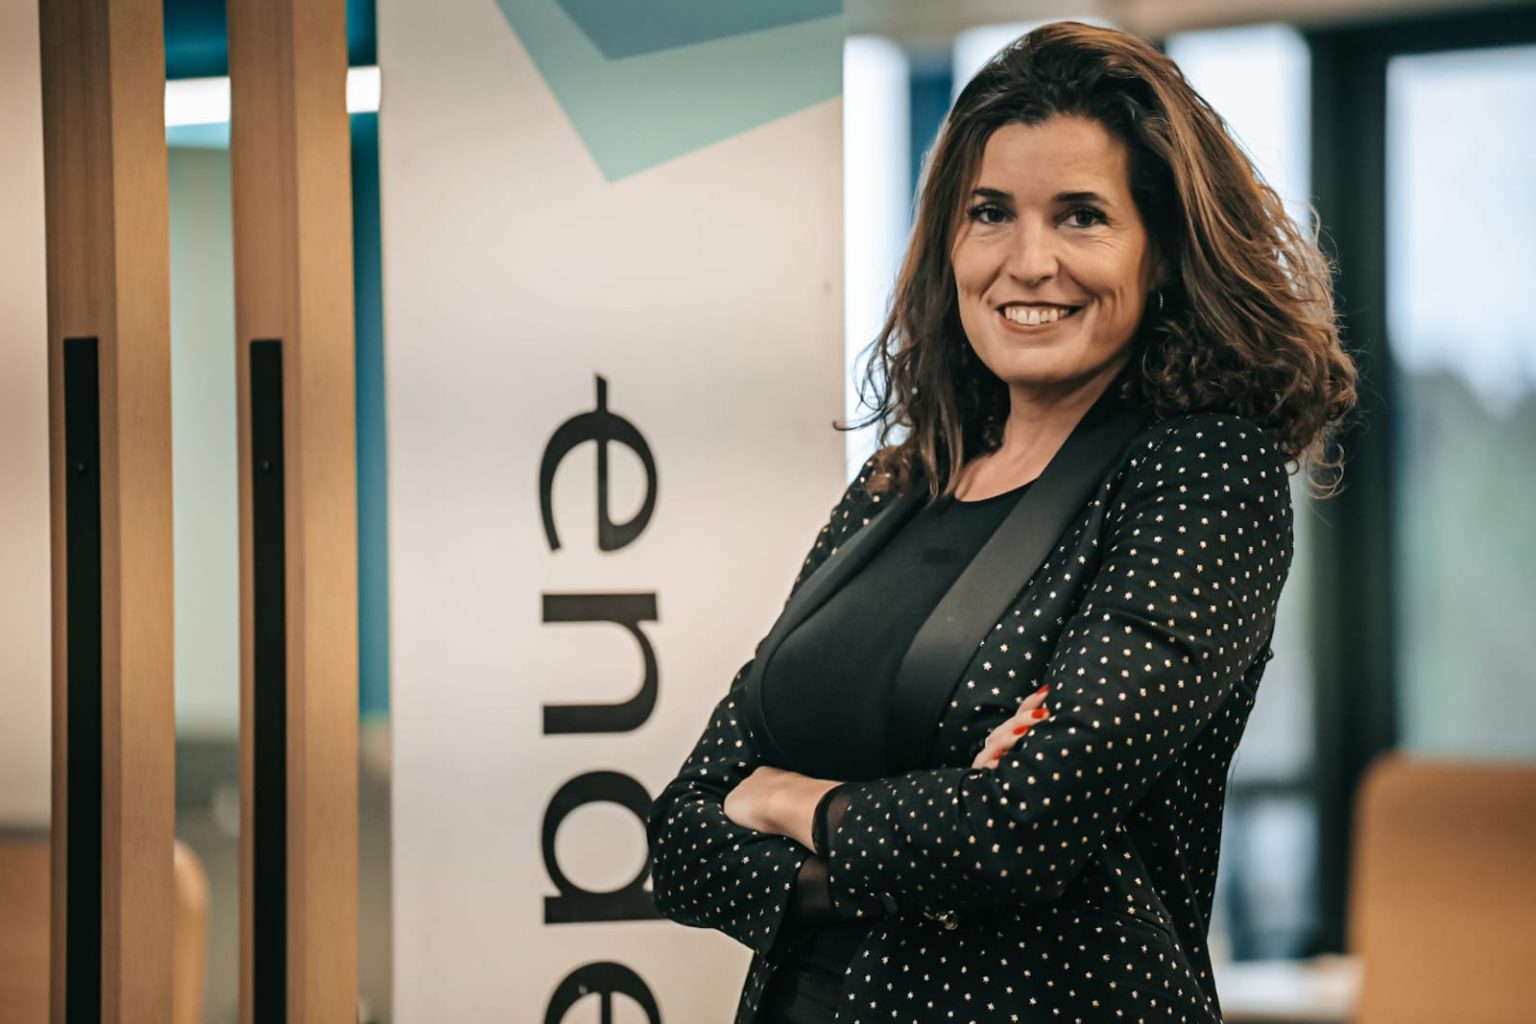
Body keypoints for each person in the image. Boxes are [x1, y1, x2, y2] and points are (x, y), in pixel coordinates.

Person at [646, 20, 1357, 1024]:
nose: (1029, 262)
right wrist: (935, 830)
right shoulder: (898, 485)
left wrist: (785, 800)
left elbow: (1020, 829)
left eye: (1081, 217)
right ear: (950, 243)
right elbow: (681, 835)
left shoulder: (1200, 473)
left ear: (1161, 253)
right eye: (990, 213)